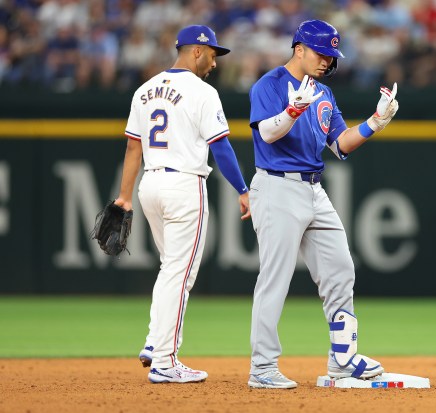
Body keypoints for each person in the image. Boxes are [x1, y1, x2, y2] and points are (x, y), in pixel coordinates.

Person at [247, 19, 399, 389]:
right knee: (275, 279)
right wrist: (291, 112)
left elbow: (340, 143)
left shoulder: (324, 94)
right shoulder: (269, 85)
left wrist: (376, 122)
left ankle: (342, 359)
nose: (327, 62)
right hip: (276, 185)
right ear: (299, 48)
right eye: (321, 53)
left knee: (341, 271)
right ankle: (262, 368)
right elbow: (267, 133)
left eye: (332, 56)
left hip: (314, 188)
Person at [113, 24, 251, 384]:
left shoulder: (144, 90)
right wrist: (242, 188)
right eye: (212, 54)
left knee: (170, 268)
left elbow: (133, 147)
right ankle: (165, 360)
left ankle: (153, 342)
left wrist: (124, 196)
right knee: (180, 273)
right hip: (184, 185)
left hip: (150, 185)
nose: (215, 62)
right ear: (195, 51)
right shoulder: (202, 92)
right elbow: (220, 146)